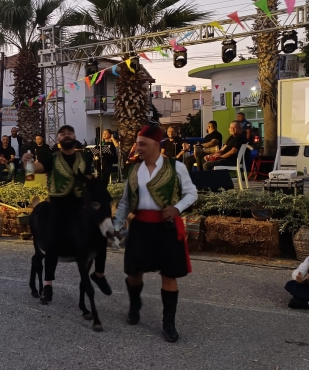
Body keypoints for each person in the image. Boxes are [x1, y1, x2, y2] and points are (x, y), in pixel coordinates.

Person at [112, 124, 198, 342]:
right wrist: (116, 225)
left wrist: (177, 208)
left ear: (155, 145)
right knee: (133, 274)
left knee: (169, 276)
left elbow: (192, 193)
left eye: (142, 144)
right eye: (137, 143)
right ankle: (135, 303)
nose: (137, 147)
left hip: (166, 227)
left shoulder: (176, 167)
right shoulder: (134, 171)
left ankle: (168, 324)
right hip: (140, 227)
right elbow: (124, 202)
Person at [21, 124, 106, 304]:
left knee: (102, 234)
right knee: (52, 241)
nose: (67, 135)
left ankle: (99, 273)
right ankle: (48, 285)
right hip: (58, 207)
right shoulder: (51, 158)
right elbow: (30, 175)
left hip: (79, 207)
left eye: (70, 133)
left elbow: (90, 178)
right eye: (62, 133)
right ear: (58, 139)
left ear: (74, 136)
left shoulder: (84, 157)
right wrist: (26, 162)